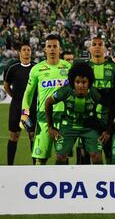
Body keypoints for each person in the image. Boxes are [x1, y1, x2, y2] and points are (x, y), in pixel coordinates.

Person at [45, 62, 110, 164]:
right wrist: (50, 127)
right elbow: (48, 102)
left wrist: (107, 130)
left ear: (89, 82)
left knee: (96, 156)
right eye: (77, 82)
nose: (80, 85)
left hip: (89, 127)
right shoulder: (66, 91)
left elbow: (110, 107)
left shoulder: (94, 93)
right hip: (68, 126)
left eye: (84, 82)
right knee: (61, 157)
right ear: (72, 82)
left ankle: (97, 179)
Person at [21, 34, 72, 165]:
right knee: (40, 158)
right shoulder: (36, 69)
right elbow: (28, 93)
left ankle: (61, 184)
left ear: (60, 49)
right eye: (49, 46)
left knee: (63, 157)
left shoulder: (68, 68)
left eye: (55, 46)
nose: (52, 49)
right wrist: (24, 112)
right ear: (45, 49)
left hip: (64, 118)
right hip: (43, 118)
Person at [87, 35, 115, 164]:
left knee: (110, 154)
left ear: (105, 48)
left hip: (109, 118)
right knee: (92, 155)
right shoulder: (84, 68)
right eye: (94, 44)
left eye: (100, 44)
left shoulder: (114, 68)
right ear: (89, 48)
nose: (97, 47)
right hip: (89, 119)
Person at [3, 42, 36, 165]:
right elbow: (6, 86)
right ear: (20, 52)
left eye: (28, 49)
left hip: (32, 107)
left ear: (31, 52)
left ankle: (36, 166)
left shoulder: (36, 67)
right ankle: (9, 166)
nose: (27, 51)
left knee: (32, 135)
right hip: (17, 107)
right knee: (14, 135)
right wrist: (15, 97)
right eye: (24, 49)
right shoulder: (12, 68)